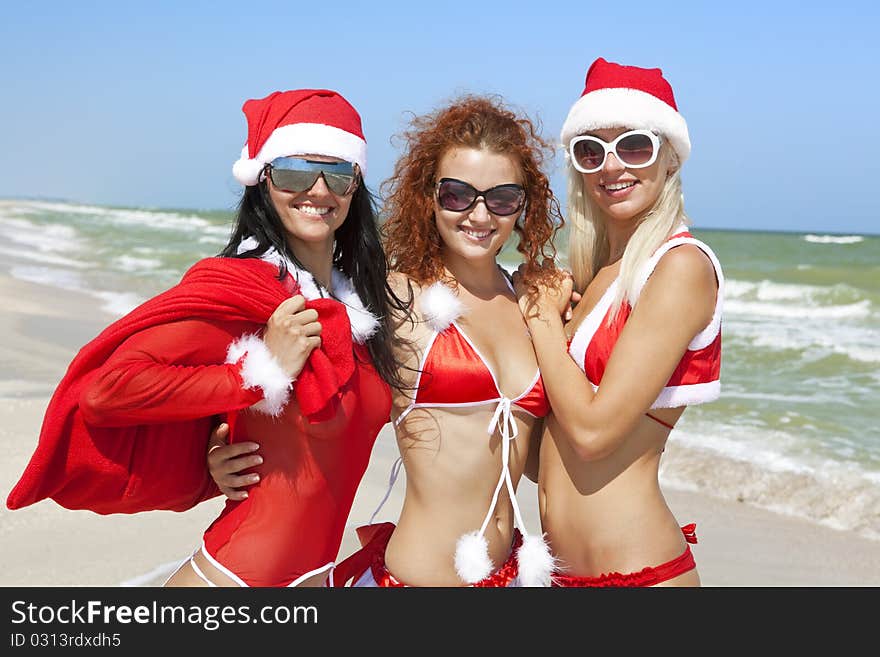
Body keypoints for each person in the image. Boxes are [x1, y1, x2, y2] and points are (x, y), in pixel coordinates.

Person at [6, 89, 408, 588]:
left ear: (356, 186)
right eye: (295, 172)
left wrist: (210, 454)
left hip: (317, 581)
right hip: (233, 579)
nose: (319, 190)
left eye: (339, 174)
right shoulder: (245, 288)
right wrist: (260, 374)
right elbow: (108, 391)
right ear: (262, 180)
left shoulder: (362, 306)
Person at [209, 94, 566, 587]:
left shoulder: (530, 303)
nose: (480, 216)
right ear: (429, 195)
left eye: (502, 198)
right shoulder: (392, 298)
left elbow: (542, 458)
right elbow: (301, 387)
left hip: (513, 574)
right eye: (458, 194)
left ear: (524, 205)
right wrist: (217, 441)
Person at [513, 57, 724, 586]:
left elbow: (591, 432)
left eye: (634, 145)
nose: (612, 166)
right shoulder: (595, 276)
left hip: (639, 576)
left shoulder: (679, 268)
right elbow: (550, 454)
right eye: (591, 150)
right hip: (558, 578)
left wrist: (540, 323)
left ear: (670, 158)